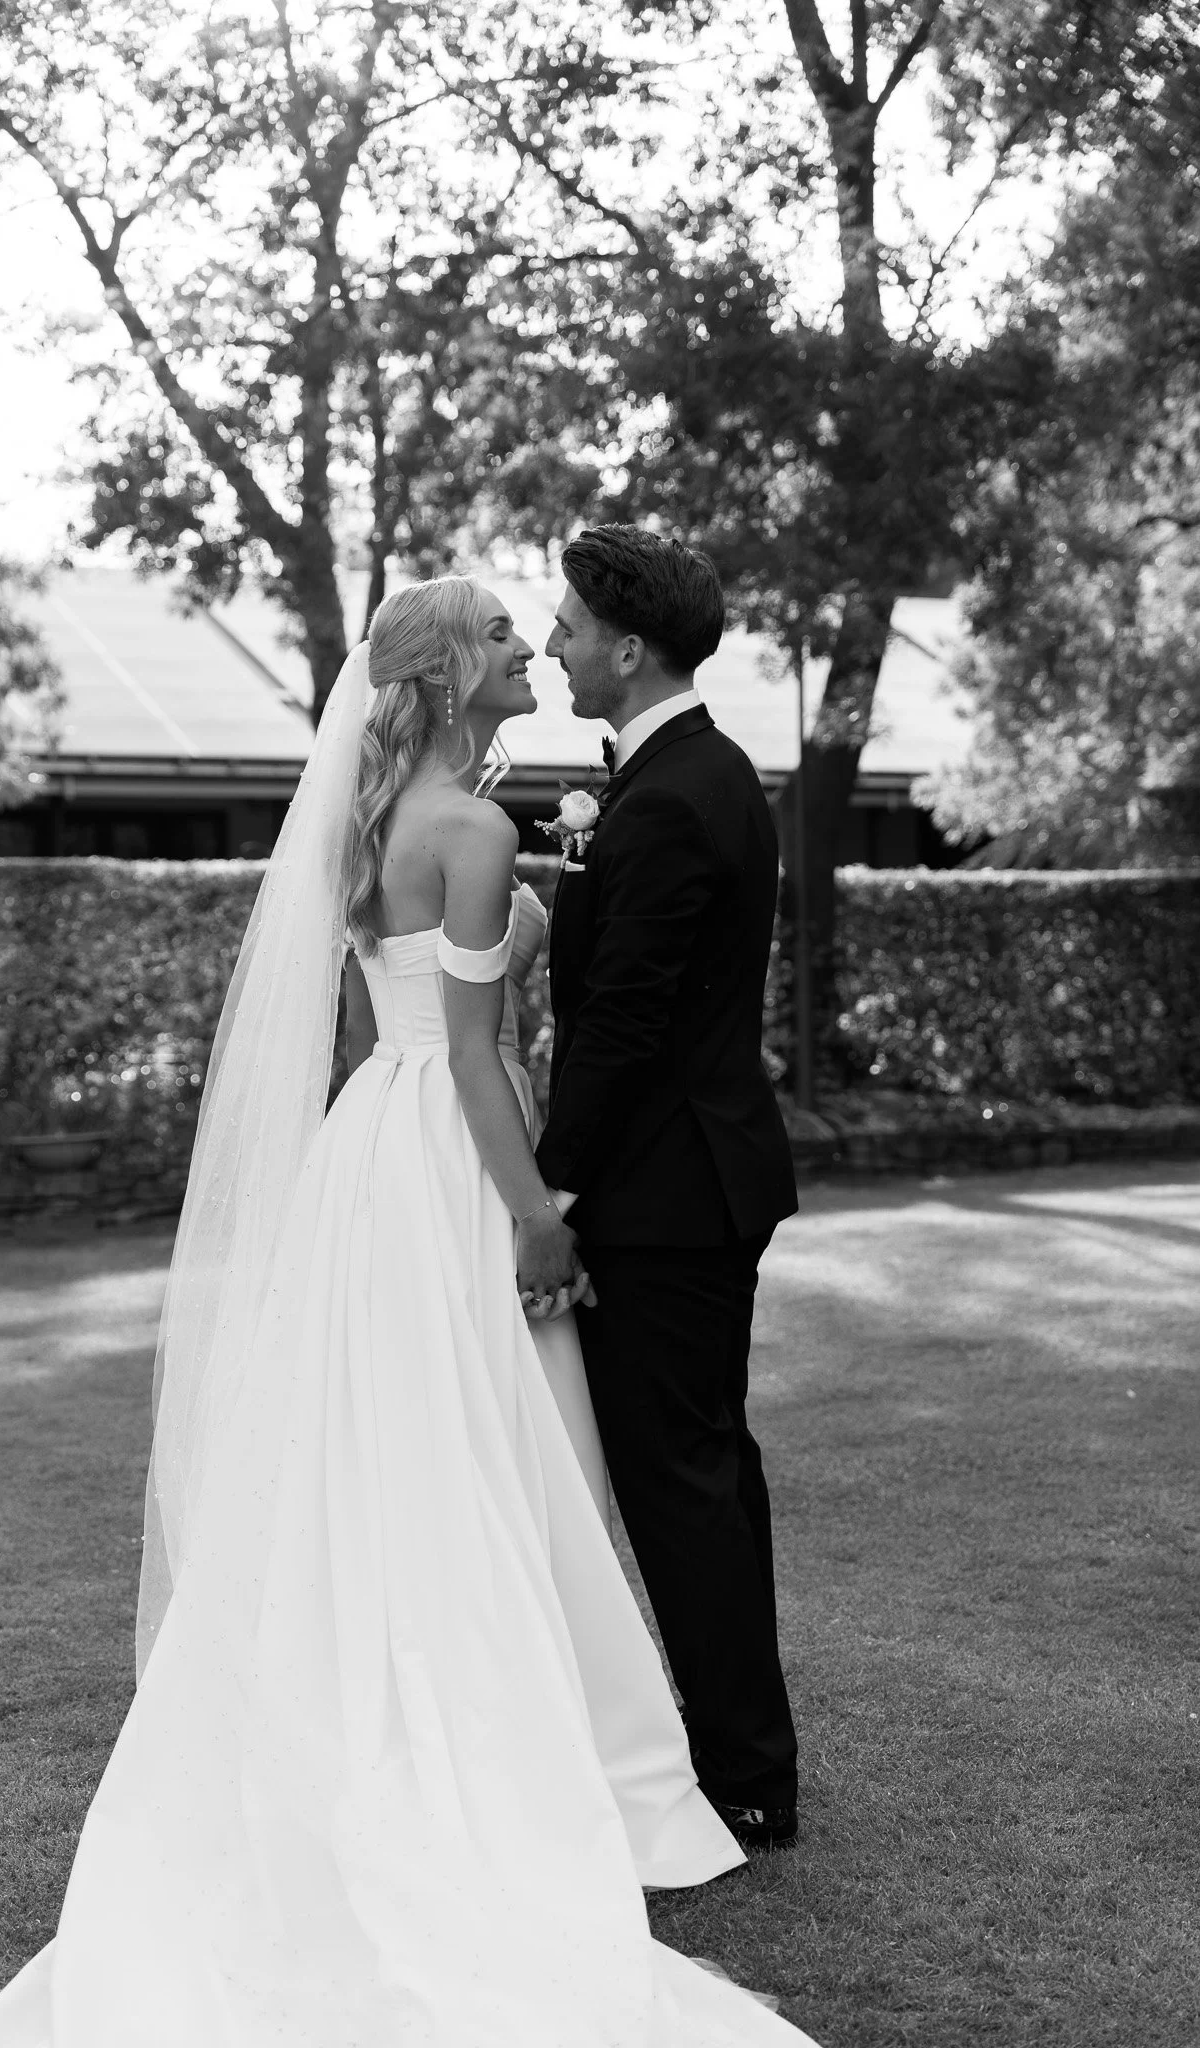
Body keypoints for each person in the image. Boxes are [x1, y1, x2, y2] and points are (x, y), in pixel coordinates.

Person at [0, 575, 816, 2047]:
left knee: (386, 1441)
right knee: (506, 1446)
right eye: (500, 635)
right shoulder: (472, 831)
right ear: (446, 673)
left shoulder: (364, 823)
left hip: (371, 1154)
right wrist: (535, 1213)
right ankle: (544, 1748)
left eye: (534, 629)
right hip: (459, 1153)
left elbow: (375, 1030)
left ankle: (381, 1714)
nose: (528, 645)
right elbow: (473, 1057)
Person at [538, 527, 801, 1850]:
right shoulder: (688, 775)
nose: (553, 647)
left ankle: (745, 1775)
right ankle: (740, 1750)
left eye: (570, 627)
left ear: (628, 647)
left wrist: (548, 1194)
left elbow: (625, 1027)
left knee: (681, 1481)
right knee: (706, 1470)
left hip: (665, 1196)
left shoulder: (672, 798)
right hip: (694, 1181)